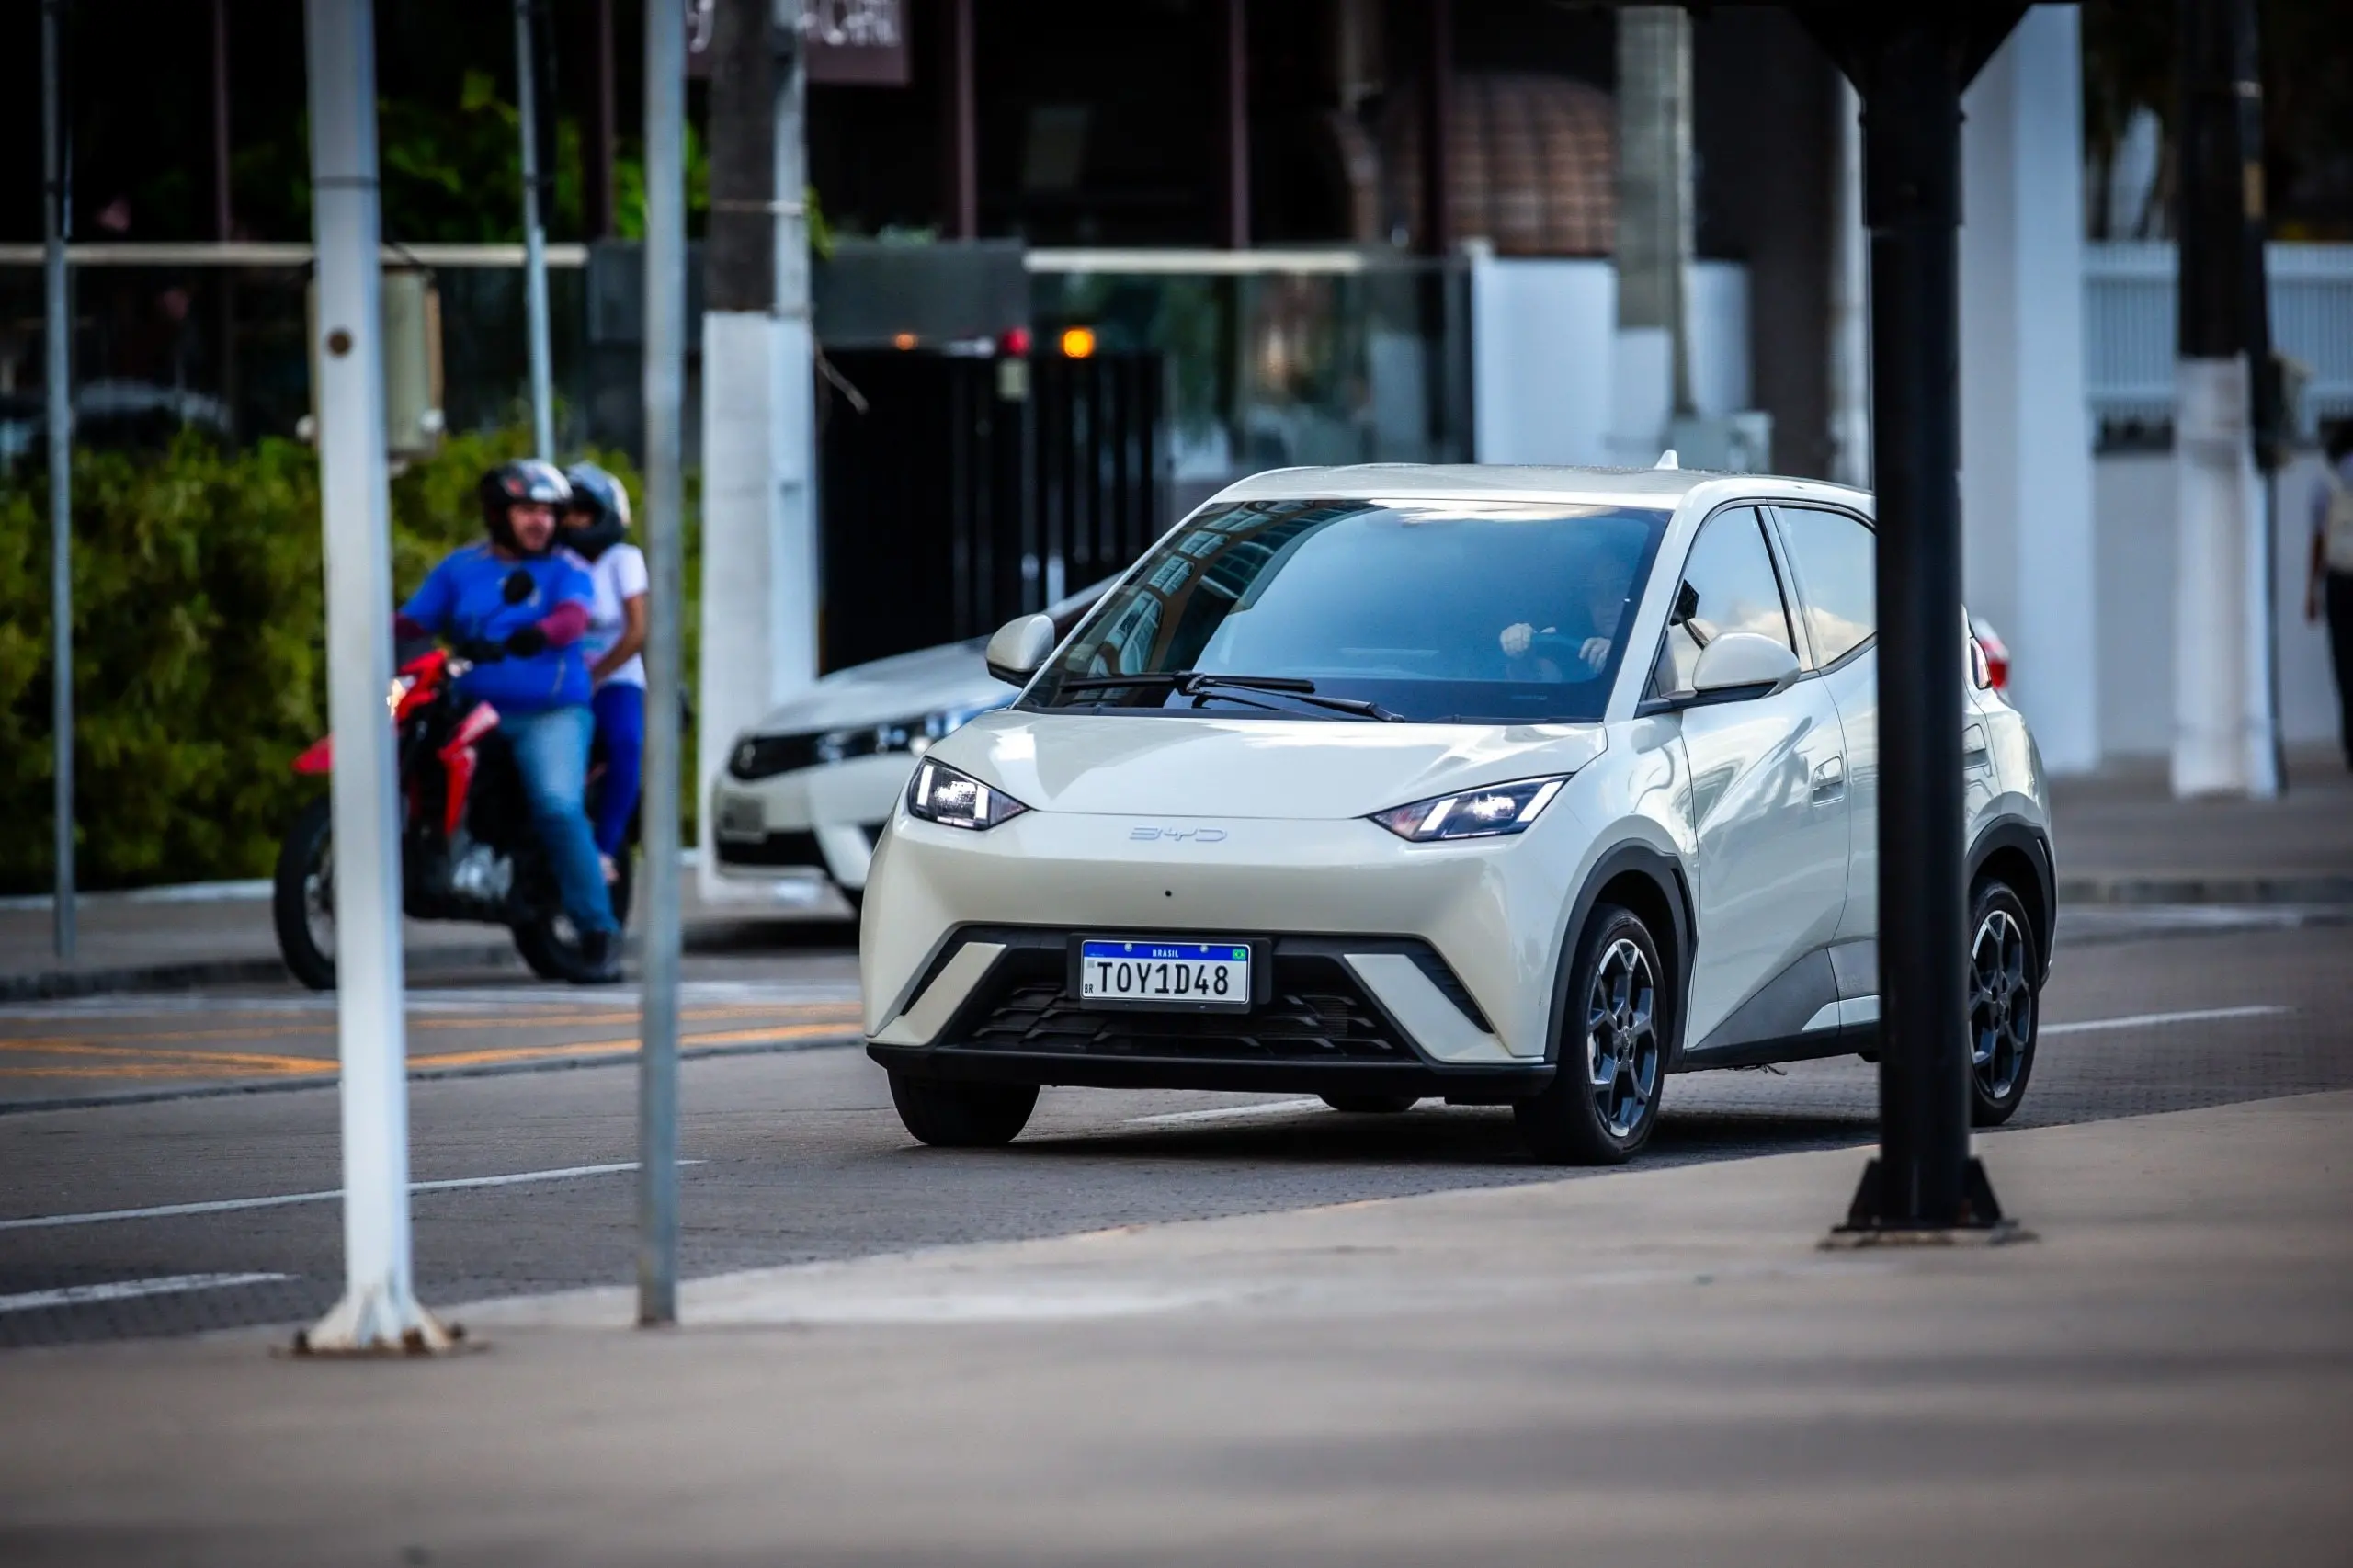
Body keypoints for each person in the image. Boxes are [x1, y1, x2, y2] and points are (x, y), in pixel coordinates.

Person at [394, 460, 620, 983]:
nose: (541, 522)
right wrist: (367, 632)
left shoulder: (565, 569)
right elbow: (410, 622)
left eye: (548, 512)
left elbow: (573, 618)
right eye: (528, 510)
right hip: (468, 708)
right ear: (498, 514)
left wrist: (539, 634)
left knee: (557, 805)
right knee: (408, 752)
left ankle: (598, 931)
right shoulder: (460, 568)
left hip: (549, 711)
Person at [560, 463, 649, 885]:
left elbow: (637, 631)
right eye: (568, 512)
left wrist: (597, 675)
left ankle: (605, 848)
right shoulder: (558, 561)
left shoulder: (623, 560)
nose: (575, 521)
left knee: (626, 744)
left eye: (583, 511)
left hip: (615, 678)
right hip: (562, 679)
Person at [2309, 419, 2353, 770]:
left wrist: (2312, 591)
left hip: (2340, 582)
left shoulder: (2325, 483)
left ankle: (2352, 747)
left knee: (2345, 666)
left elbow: (2318, 543)